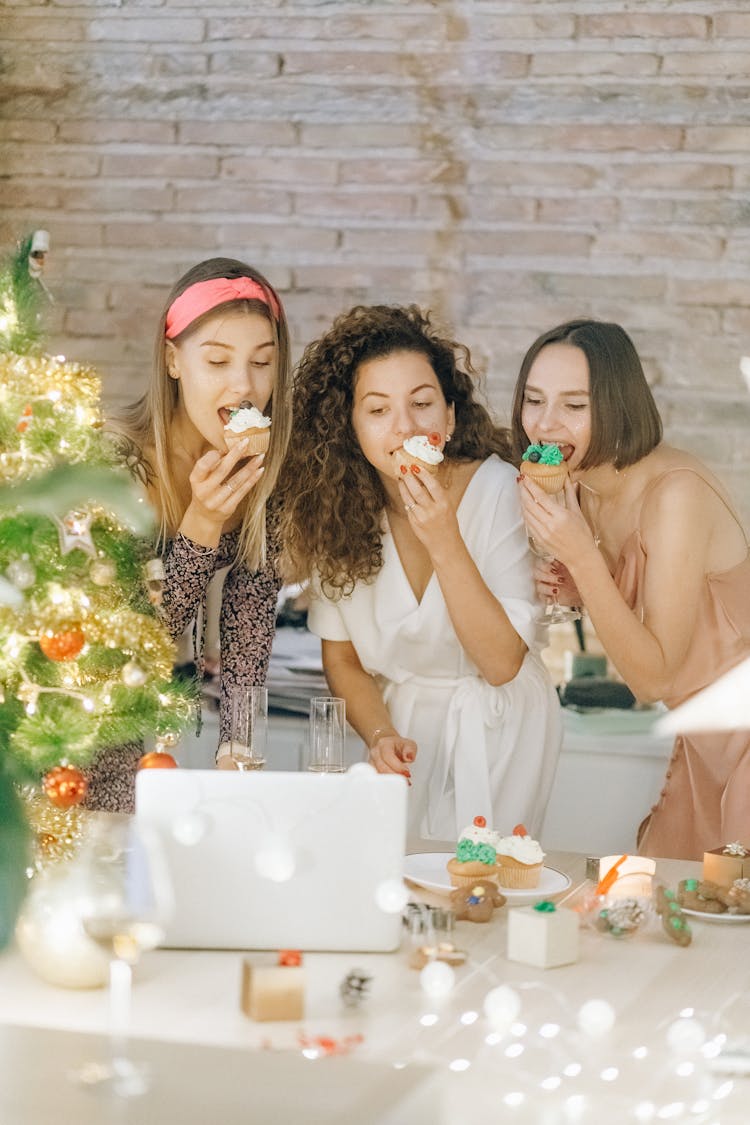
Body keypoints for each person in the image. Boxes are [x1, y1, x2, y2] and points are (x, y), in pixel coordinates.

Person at [278, 304, 562, 843]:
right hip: (405, 726)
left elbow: (502, 662)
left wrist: (443, 537)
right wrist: (381, 734)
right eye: (379, 410)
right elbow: (341, 657)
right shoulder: (337, 513)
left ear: (449, 418)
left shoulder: (498, 490)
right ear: (352, 427)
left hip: (500, 726)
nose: (406, 426)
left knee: (485, 886)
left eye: (422, 404)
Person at [511, 318, 750, 860]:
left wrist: (580, 556)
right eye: (534, 399)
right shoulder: (587, 484)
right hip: (703, 741)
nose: (545, 425)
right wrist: (577, 584)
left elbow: (651, 677)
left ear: (617, 405)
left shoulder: (675, 495)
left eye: (575, 405)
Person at [93, 257, 292, 804]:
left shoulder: (258, 470)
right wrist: (201, 525)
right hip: (69, 721)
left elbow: (249, 624)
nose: (244, 385)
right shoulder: (113, 465)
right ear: (173, 360)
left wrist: (238, 746)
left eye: (262, 362)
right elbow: (129, 648)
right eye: (218, 361)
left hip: (140, 739)